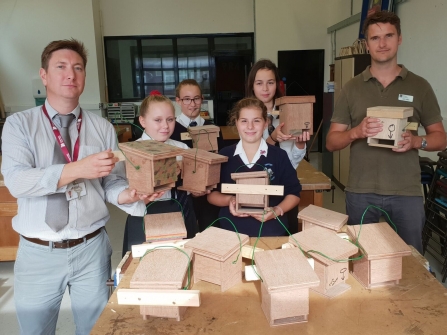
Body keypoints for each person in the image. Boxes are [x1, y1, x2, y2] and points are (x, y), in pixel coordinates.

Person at [1, 39, 162, 335]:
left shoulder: (101, 127)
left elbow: (111, 181)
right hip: (39, 253)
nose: (70, 75)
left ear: (85, 77)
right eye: (61, 67)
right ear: (44, 75)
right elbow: (17, 181)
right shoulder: (19, 125)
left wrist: (130, 194)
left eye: (78, 68)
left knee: (95, 329)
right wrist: (77, 169)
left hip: (91, 249)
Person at [326, 11, 446, 253]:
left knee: (410, 263)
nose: (382, 44)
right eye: (375, 38)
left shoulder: (420, 86)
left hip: (406, 194)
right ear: (366, 44)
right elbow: (331, 142)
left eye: (388, 36)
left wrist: (415, 142)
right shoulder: (351, 88)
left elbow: (440, 138)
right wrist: (356, 132)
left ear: (399, 38)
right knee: (361, 261)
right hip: (360, 192)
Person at [208, 98, 301, 237]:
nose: (250, 126)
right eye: (244, 121)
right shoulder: (224, 155)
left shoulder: (279, 156)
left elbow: (294, 193)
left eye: (256, 121)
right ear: (236, 123)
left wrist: (277, 210)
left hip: (272, 232)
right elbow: (211, 195)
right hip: (231, 232)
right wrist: (229, 200)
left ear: (265, 124)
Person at [122, 94, 200, 255]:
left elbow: (191, 185)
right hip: (143, 214)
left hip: (179, 212)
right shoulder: (132, 151)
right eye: (157, 120)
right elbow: (123, 192)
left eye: (170, 119)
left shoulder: (182, 148)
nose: (165, 125)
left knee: (180, 262)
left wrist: (196, 187)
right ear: (142, 121)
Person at [246, 59, 309, 233]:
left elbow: (293, 160)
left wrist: (300, 143)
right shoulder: (246, 117)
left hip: (287, 189)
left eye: (270, 82)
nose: (265, 89)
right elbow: (248, 157)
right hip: (258, 189)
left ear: (277, 84)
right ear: (252, 86)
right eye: (259, 83)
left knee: (287, 237)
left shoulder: (288, 113)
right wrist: (272, 139)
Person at [171, 79, 221, 231]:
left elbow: (220, 160)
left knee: (211, 234)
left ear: (202, 99)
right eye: (187, 99)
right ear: (178, 101)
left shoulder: (212, 129)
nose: (192, 104)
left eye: (196, 98)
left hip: (209, 193)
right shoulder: (171, 130)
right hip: (182, 194)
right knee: (187, 234)